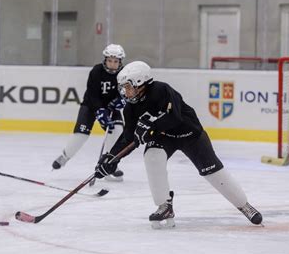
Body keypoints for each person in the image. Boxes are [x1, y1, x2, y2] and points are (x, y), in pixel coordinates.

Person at [94, 61, 263, 229]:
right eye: (122, 87)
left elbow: (175, 118)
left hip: (189, 134)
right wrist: (112, 157)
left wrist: (150, 126)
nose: (124, 91)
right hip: (163, 137)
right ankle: (164, 206)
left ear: (140, 83)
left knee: (212, 172)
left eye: (127, 86)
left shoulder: (162, 90)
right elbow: (129, 137)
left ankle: (243, 205)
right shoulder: (130, 108)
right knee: (152, 157)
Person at [51, 44, 126, 181]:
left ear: (120, 62)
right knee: (81, 135)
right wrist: (99, 110)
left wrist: (123, 100)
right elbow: (92, 94)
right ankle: (65, 156)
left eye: (116, 61)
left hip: (111, 108)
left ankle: (110, 164)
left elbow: (127, 91)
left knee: (117, 130)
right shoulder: (96, 71)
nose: (112, 64)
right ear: (105, 60)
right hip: (90, 106)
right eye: (110, 60)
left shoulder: (124, 74)